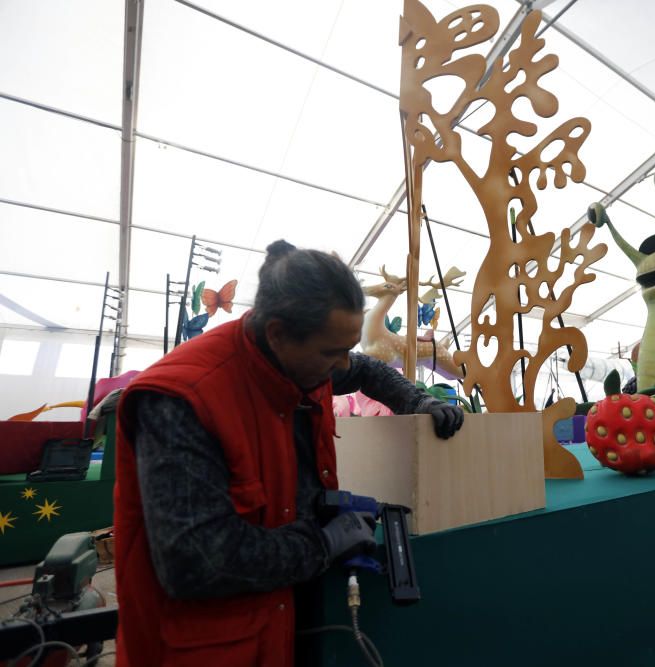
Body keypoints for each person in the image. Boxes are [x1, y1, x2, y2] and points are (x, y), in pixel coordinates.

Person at [113, 240, 464, 666]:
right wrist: (321, 544)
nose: (341, 367)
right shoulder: (184, 401)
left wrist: (419, 402)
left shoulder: (303, 358)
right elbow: (197, 563)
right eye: (332, 353)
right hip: (206, 648)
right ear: (277, 332)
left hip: (278, 619)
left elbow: (366, 369)